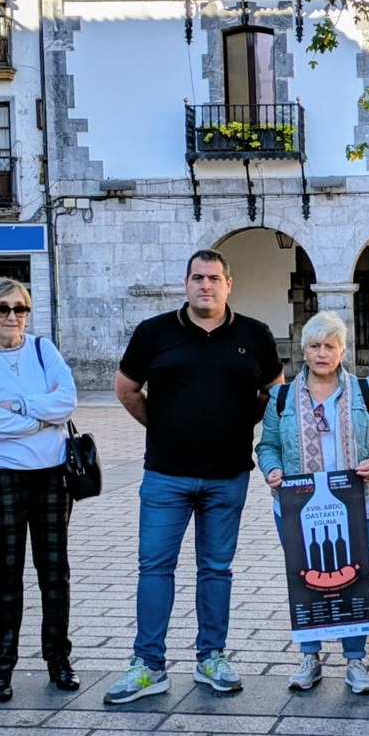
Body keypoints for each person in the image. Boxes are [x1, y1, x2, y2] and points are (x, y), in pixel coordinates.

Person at [106, 249, 283, 704]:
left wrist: (246, 420)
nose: (206, 286)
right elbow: (126, 388)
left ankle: (212, 657)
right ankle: (148, 665)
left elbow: (275, 390)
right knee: (155, 567)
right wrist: (162, 424)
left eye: (214, 278)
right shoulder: (155, 333)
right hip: (166, 474)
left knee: (216, 569)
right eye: (197, 278)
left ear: (229, 284)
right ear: (186, 283)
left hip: (228, 475)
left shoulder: (254, 335)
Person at [0, 278, 81, 702]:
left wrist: (18, 406)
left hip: (51, 473)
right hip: (0, 474)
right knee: (5, 571)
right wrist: (40, 419)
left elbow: (66, 402)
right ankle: (2, 666)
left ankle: (58, 660)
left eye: (21, 309)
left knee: (54, 571)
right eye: (2, 309)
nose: (13, 317)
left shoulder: (45, 351)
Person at [257, 311, 369, 695]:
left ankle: (355, 660)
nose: (322, 353)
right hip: (298, 504)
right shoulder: (282, 396)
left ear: (342, 350)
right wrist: (271, 469)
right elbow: (266, 445)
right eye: (315, 346)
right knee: (305, 576)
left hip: (358, 502)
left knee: (354, 575)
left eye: (330, 346)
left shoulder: (365, 390)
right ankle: (309, 656)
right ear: (303, 351)